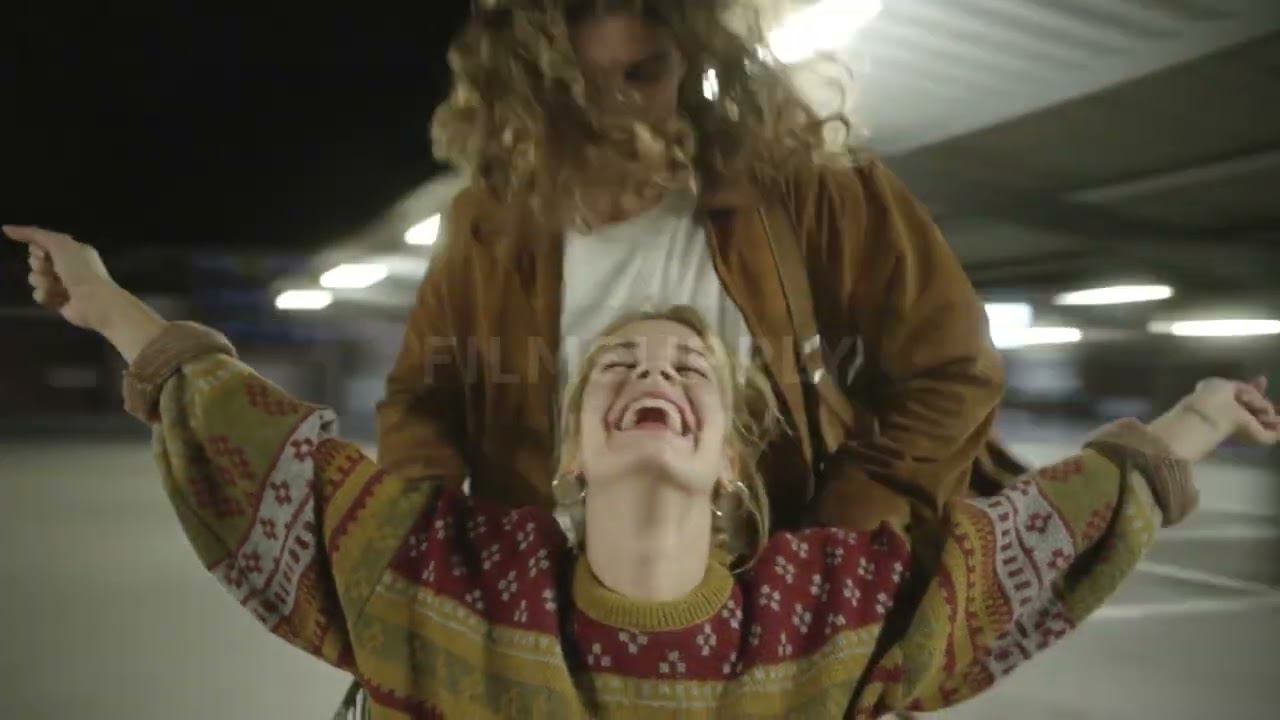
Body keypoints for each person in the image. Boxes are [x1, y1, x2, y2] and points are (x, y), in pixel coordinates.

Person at [12, 225, 1279, 719]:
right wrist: (114, 305)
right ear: (570, 449)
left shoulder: (830, 618)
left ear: (728, 457)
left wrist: (1192, 417)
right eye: (614, 366)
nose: (649, 373)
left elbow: (1026, 545)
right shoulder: (436, 577)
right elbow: (258, 444)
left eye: (687, 368)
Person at [378, 0, 1018, 538]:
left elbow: (950, 370)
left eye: (643, 74)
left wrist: (836, 544)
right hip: (547, 614)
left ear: (691, 58)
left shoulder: (803, 189)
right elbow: (422, 402)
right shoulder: (488, 228)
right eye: (579, 87)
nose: (615, 111)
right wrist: (435, 547)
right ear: (530, 87)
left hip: (774, 608)